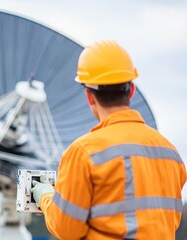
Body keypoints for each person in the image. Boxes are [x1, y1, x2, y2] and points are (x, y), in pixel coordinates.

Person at [31, 40, 186, 239]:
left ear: (89, 96)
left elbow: (67, 229)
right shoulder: (171, 153)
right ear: (130, 90)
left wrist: (45, 196)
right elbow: (169, 221)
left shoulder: (83, 152)